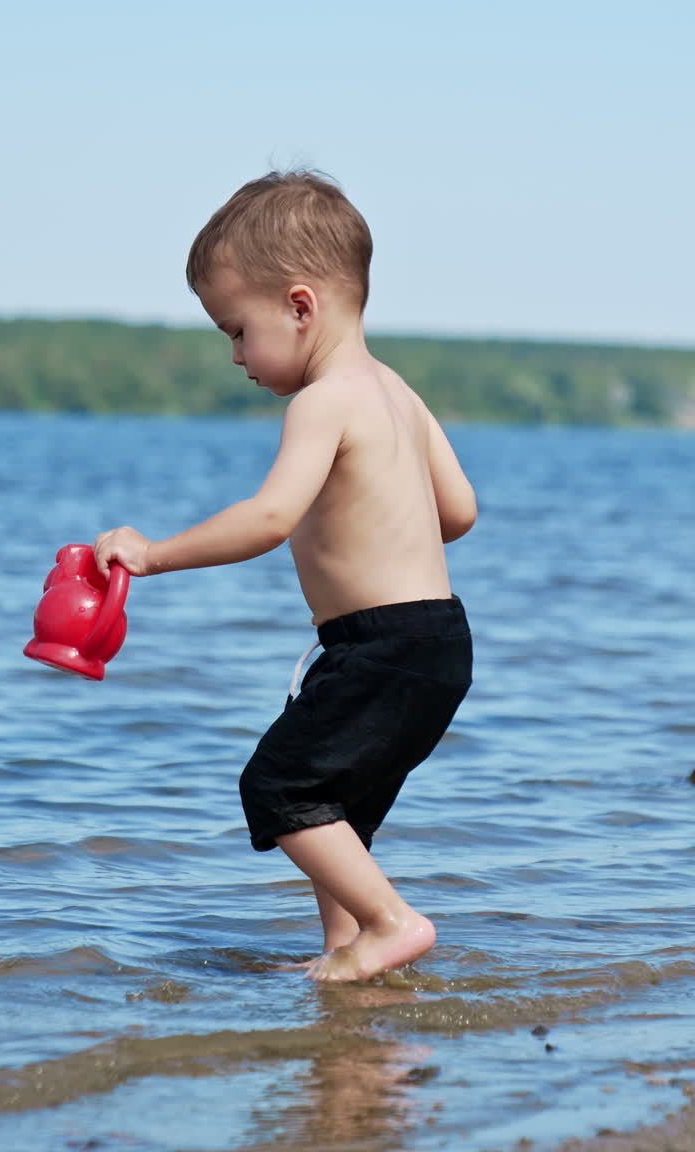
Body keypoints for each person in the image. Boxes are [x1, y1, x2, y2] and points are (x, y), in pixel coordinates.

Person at [93, 171, 477, 983]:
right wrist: (382, 519)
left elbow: (269, 518)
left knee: (278, 788)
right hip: (438, 638)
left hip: (379, 646)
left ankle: (389, 923)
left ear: (301, 307)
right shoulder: (398, 393)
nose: (235, 354)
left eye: (237, 329)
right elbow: (461, 511)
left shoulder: (322, 402)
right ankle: (350, 953)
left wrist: (154, 553)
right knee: (340, 811)